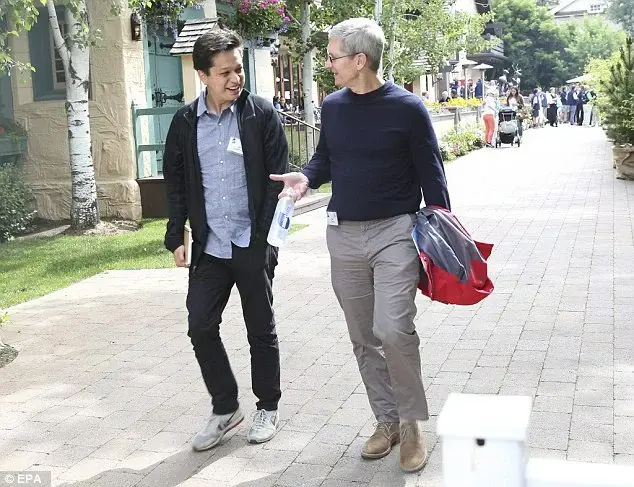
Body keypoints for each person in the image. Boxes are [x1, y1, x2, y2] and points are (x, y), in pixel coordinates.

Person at [270, 17, 450, 474]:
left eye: (332, 57)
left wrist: (443, 232)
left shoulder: (408, 108)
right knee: (363, 336)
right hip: (343, 234)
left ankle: (411, 424)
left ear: (360, 60)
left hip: (395, 232)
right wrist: (305, 178)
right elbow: (325, 159)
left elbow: (432, 173)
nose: (328, 64)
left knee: (393, 329)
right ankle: (386, 420)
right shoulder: (333, 107)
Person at [162, 28, 288, 452]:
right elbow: (176, 182)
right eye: (224, 73)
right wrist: (174, 232)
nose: (235, 79)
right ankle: (226, 407)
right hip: (210, 246)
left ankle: (267, 406)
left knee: (260, 329)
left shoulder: (261, 114)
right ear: (202, 75)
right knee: (200, 325)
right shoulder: (184, 122)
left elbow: (276, 181)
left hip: (251, 241)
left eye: (238, 69)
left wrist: (266, 241)